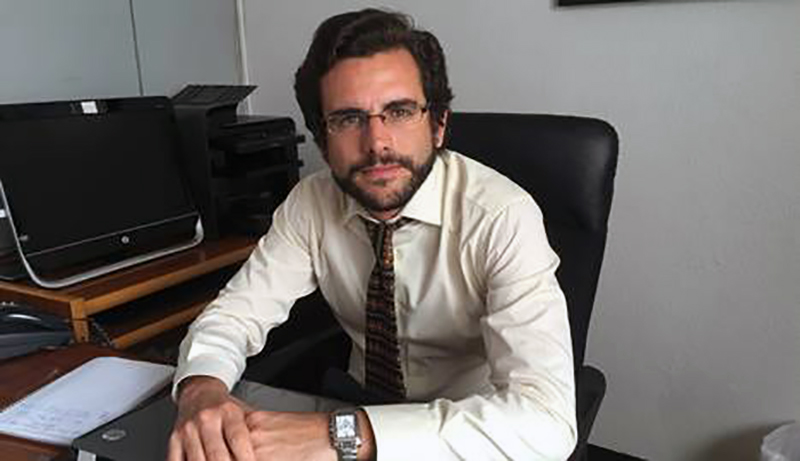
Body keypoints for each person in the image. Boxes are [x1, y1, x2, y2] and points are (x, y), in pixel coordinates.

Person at [169, 8, 576, 461]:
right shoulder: (310, 204)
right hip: (356, 402)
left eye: (399, 112)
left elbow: (547, 422)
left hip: (470, 434)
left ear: (438, 125)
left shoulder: (501, 217)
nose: (377, 143)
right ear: (322, 141)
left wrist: (342, 434)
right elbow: (234, 316)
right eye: (347, 119)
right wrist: (201, 389)